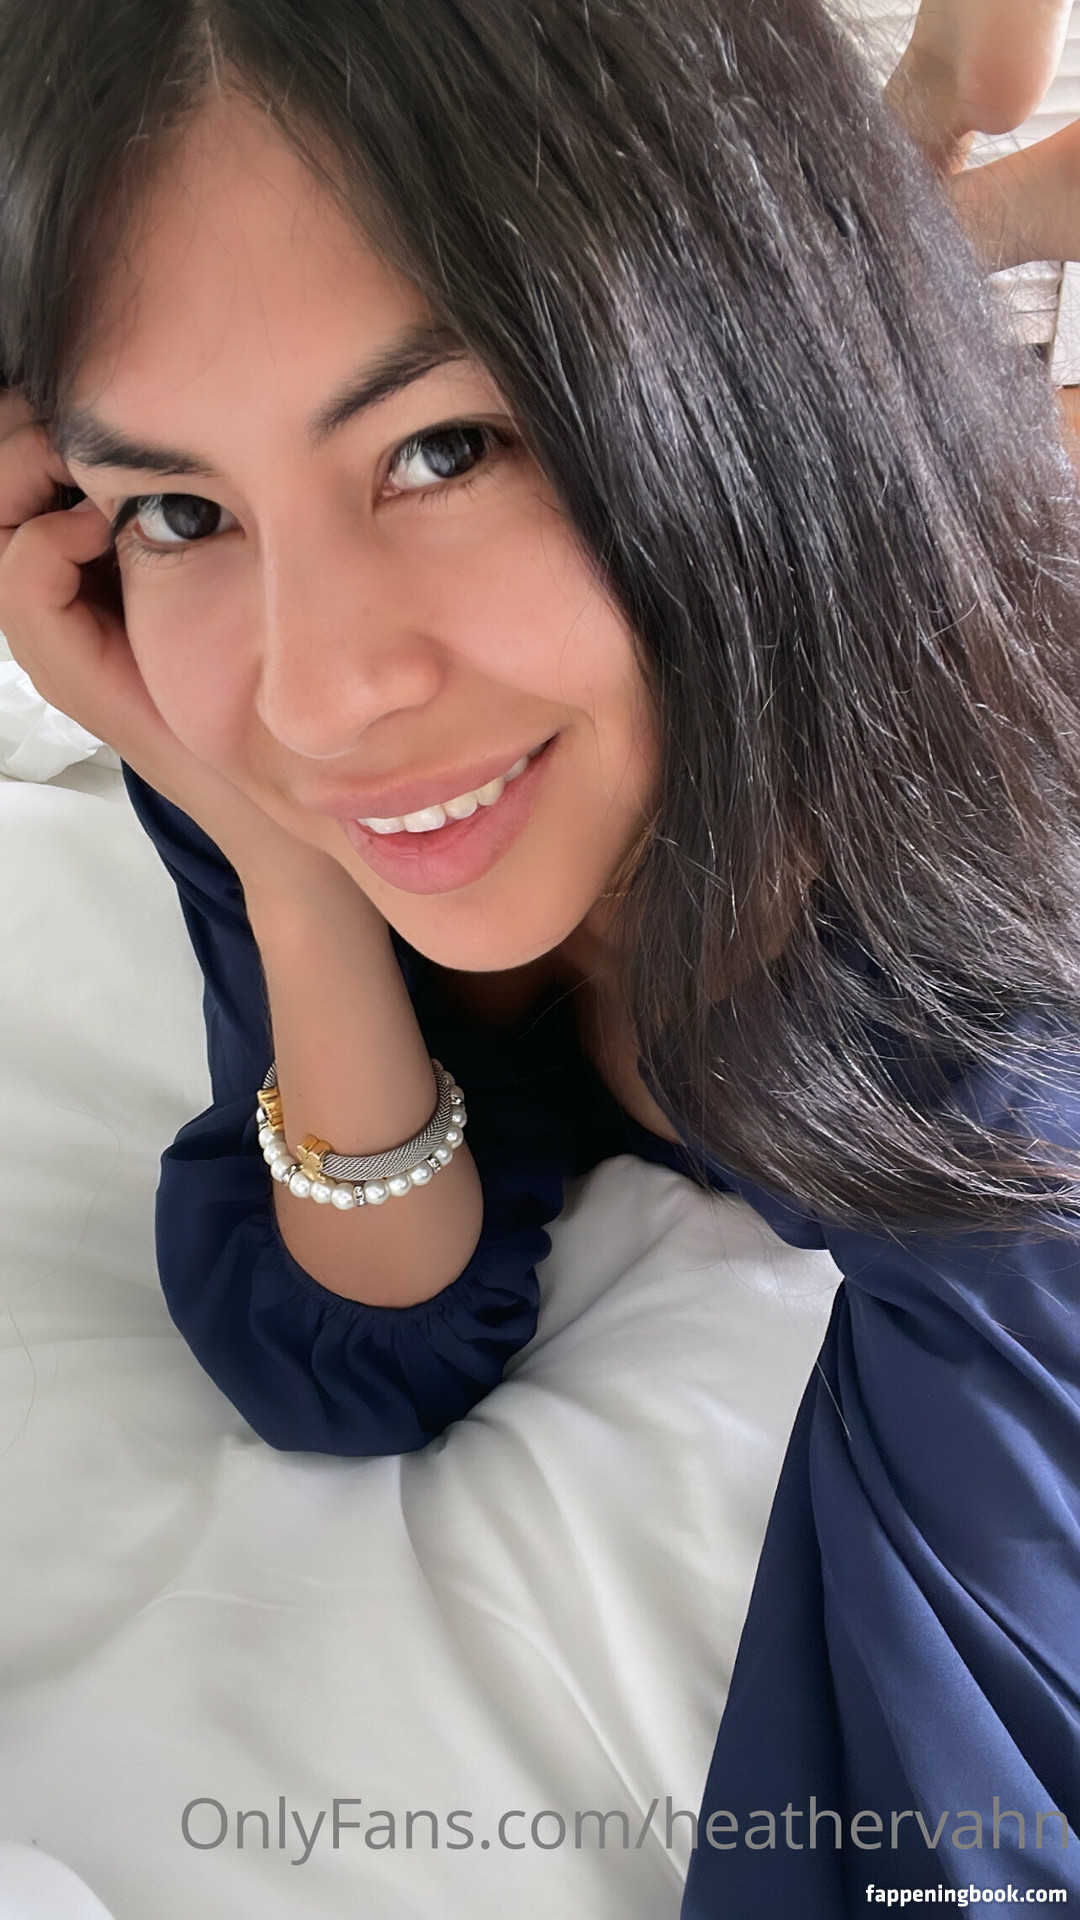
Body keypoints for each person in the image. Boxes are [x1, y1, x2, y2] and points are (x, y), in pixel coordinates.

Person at [0, 0, 1078, 1911]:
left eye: (446, 445)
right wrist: (279, 860)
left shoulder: (988, 1011)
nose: (319, 693)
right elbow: (350, 1357)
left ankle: (939, 171)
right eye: (178, 504)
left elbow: (954, 1823)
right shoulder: (257, 729)